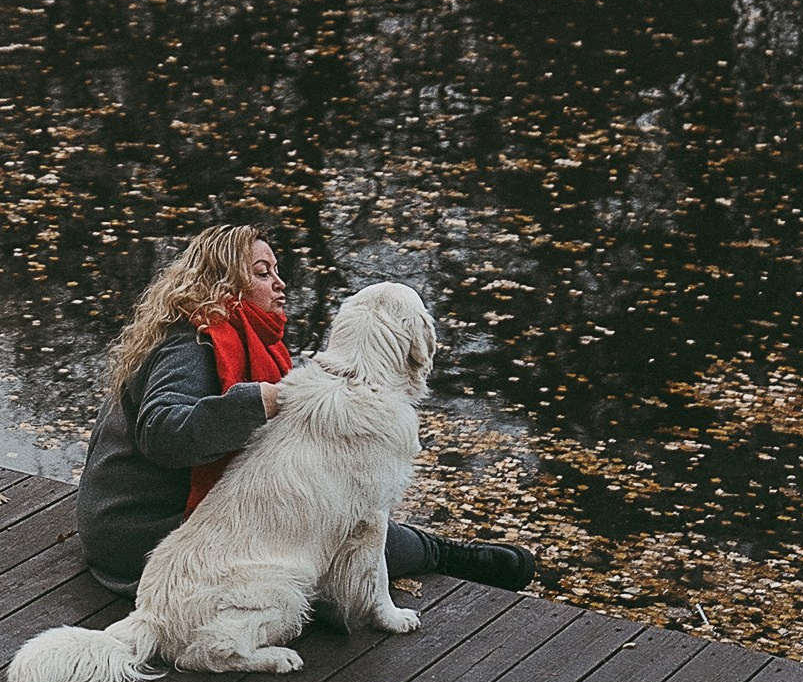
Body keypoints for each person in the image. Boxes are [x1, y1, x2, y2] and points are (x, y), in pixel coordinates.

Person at [75, 221, 536, 602]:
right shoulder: (194, 344)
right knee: (340, 531)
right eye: (262, 272)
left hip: (129, 522)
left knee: (329, 502)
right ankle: (446, 555)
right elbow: (164, 432)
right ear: (222, 284)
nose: (279, 283)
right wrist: (268, 399)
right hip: (143, 540)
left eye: (277, 270)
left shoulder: (226, 335)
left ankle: (436, 549)